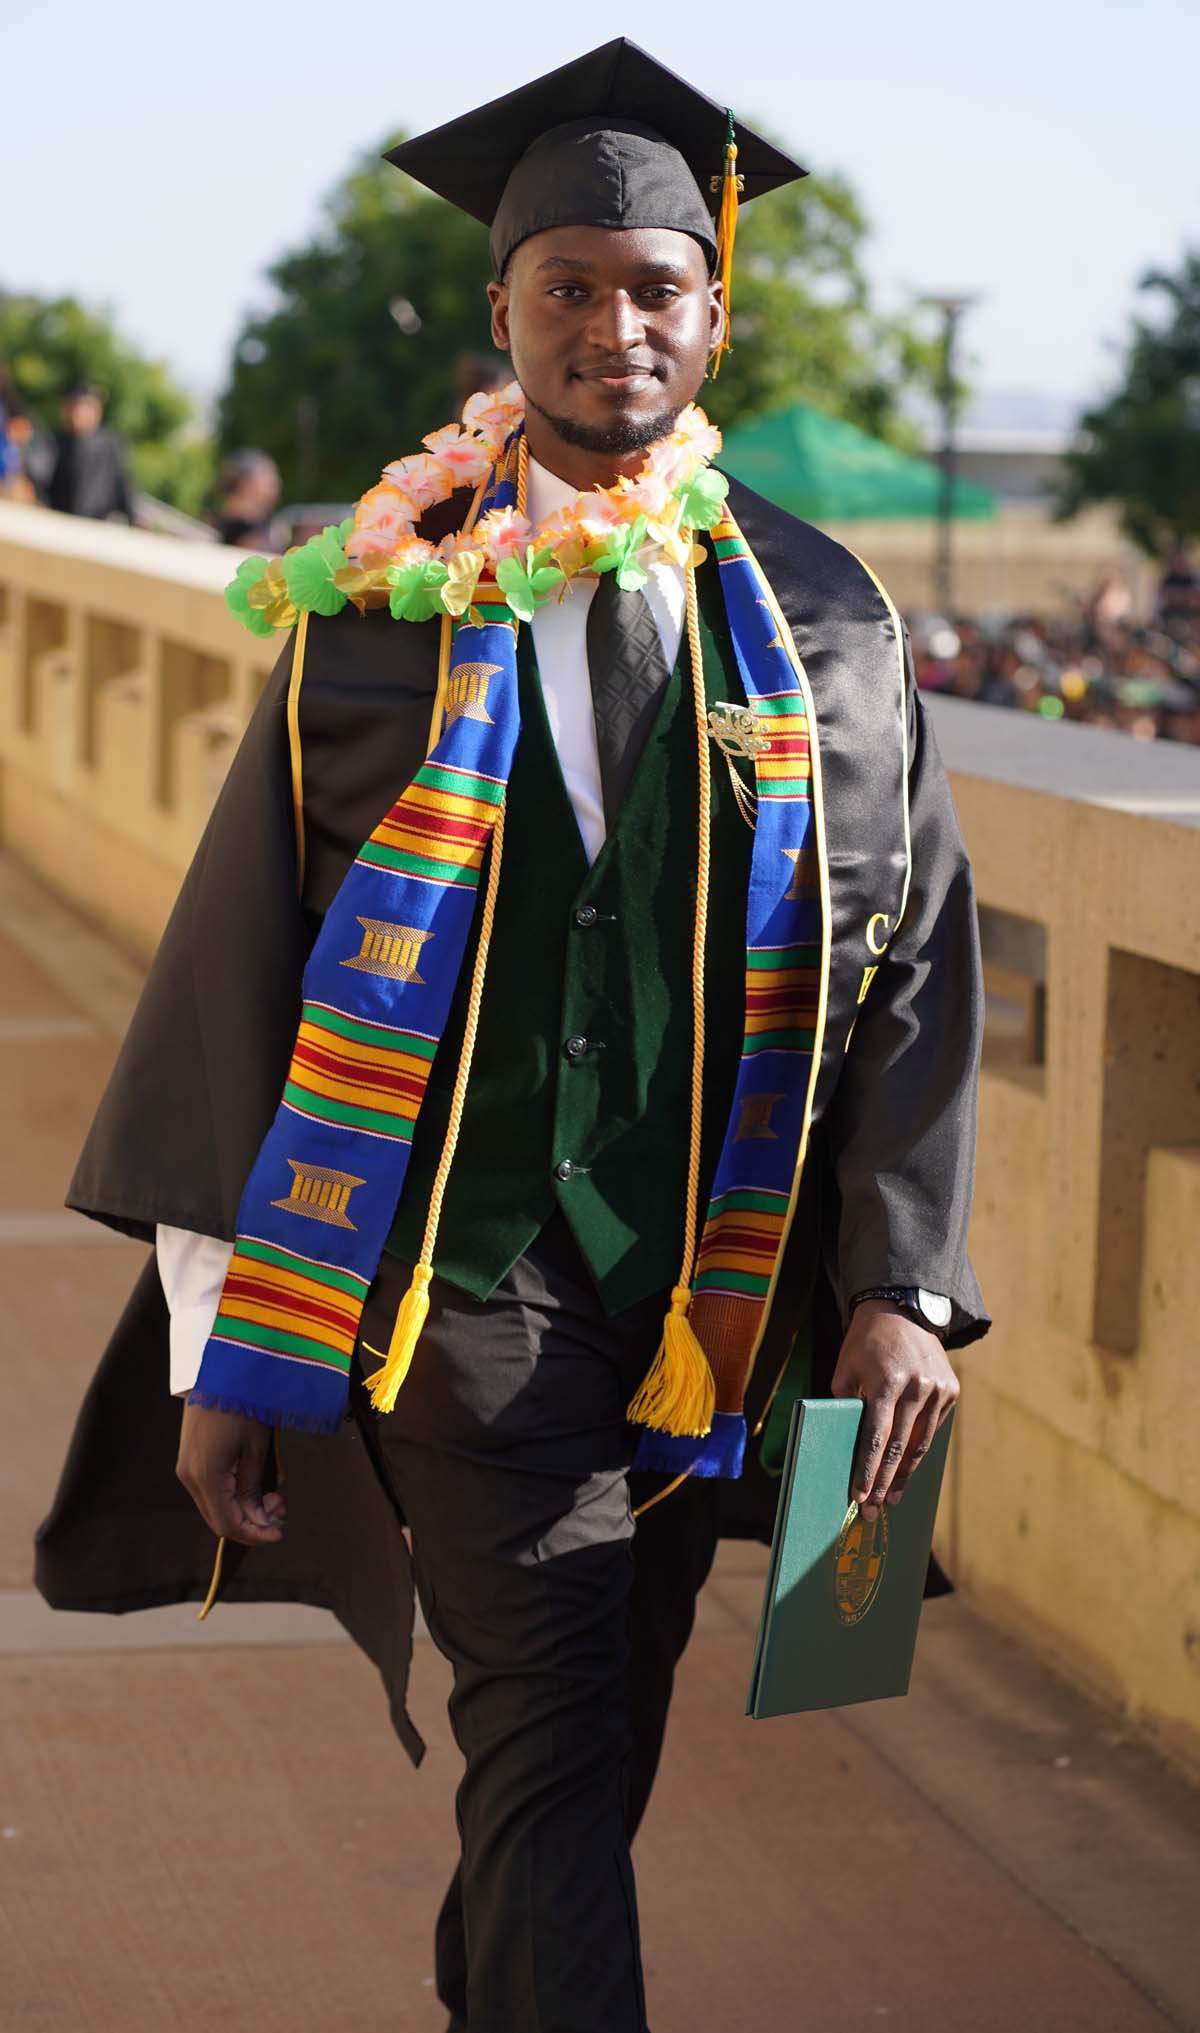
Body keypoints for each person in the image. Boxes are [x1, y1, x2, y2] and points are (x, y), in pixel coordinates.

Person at [38, 39, 988, 2033]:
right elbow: (239, 981)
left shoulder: (823, 622)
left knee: (577, 1753)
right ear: (505, 312)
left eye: (654, 286)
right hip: (450, 1297)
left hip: (718, 1297)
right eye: (569, 281)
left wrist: (906, 1282)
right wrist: (235, 1347)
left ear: (713, 310)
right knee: (552, 1700)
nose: (612, 323)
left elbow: (911, 965)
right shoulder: (382, 612)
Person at [44, 381, 135, 522]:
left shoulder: (110, 445)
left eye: (85, 406)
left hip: (96, 526)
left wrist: (134, 516)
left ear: (97, 411)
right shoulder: (53, 443)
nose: (77, 412)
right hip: (58, 521)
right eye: (72, 405)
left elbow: (123, 486)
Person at [211, 447, 282, 549]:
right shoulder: (244, 533)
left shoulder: (256, 526)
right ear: (246, 483)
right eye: (268, 476)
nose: (276, 482)